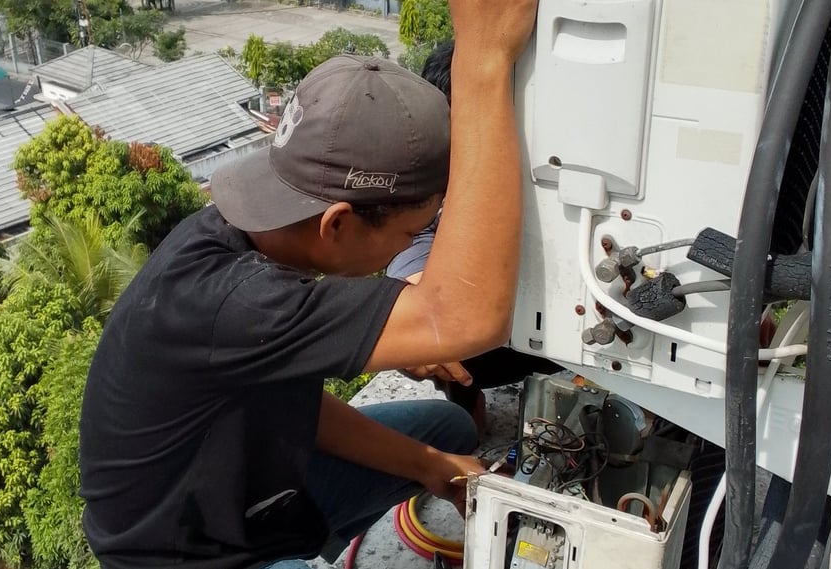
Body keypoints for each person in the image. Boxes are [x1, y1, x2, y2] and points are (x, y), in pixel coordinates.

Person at [78, 2, 540, 568]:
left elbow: (290, 403)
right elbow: (466, 317)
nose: (409, 250)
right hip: (184, 551)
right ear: (338, 223)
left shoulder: (248, 237)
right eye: (411, 233)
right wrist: (484, 58)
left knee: (444, 435)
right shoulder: (241, 299)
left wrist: (431, 469)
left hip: (245, 479)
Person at [389, 40, 563, 429]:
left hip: (572, 318)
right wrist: (413, 289)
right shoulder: (440, 174)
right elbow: (414, 243)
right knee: (425, 339)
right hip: (512, 334)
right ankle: (467, 413)